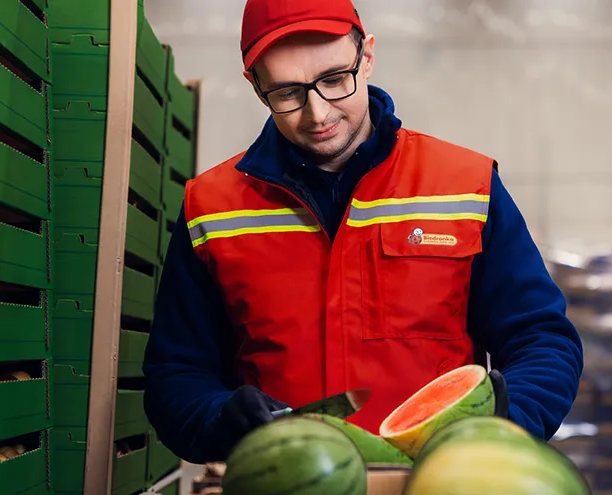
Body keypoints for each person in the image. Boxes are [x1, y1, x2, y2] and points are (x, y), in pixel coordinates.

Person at [143, 0, 583, 464]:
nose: (318, 114)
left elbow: (543, 339)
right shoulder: (210, 208)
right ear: (256, 86)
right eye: (288, 92)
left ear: (367, 56)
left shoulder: (464, 185)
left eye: (335, 80)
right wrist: (221, 419)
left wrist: (505, 427)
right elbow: (176, 376)